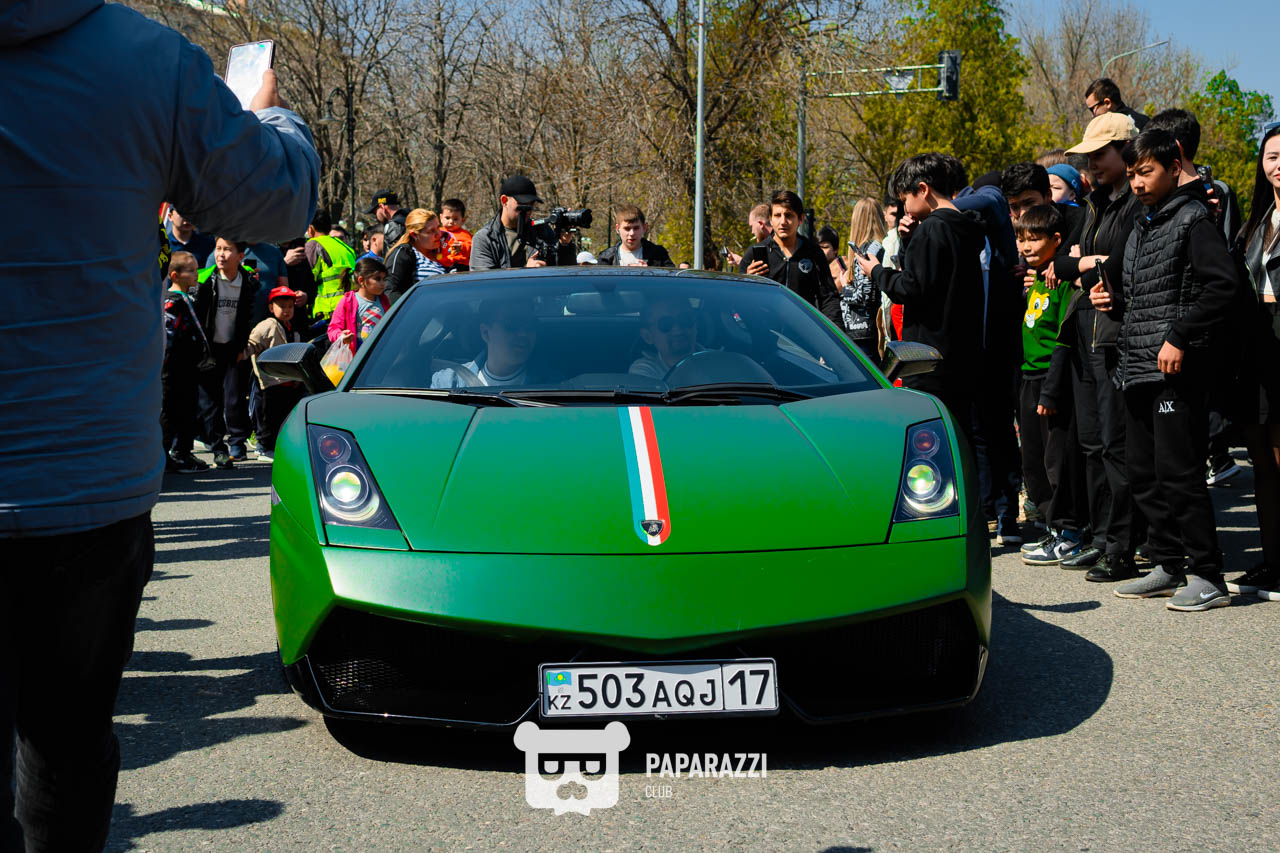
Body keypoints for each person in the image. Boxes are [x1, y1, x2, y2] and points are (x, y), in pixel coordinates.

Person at [0, 1, 319, 844]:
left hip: (90, 486)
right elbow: (282, 199)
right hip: (85, 490)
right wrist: (266, 116)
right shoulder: (149, 61)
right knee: (66, 754)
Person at [1090, 127, 1239, 610]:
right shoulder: (1142, 224)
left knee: (1179, 473)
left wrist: (1180, 336)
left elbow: (1222, 286)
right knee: (1143, 472)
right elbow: (1140, 295)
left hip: (1176, 369)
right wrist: (1111, 301)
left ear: (1175, 168)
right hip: (1136, 365)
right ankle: (1168, 564)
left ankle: (1207, 574)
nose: (1137, 182)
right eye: (1132, 173)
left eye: (1147, 172)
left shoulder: (1194, 219)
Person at [1056, 111, 1144, 580]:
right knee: (1091, 444)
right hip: (1083, 332)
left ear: (1125, 150)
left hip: (1116, 333)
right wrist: (1088, 263)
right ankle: (1101, 537)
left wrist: (1084, 263)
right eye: (1086, 155)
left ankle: (1123, 547)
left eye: (1099, 153)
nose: (1090, 163)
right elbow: (1061, 265)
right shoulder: (1092, 204)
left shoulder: (1136, 202)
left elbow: (1121, 264)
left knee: (1115, 445)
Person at [855, 154, 987, 441]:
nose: (905, 207)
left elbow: (911, 288)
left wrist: (876, 271)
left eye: (905, 198)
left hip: (928, 359)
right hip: (963, 355)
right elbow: (933, 279)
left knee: (930, 439)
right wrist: (907, 241)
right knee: (961, 435)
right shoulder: (965, 228)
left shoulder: (932, 228)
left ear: (923, 189)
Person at [1013, 206, 1085, 565]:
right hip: (1028, 378)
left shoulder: (1062, 281)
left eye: (1035, 239)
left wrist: (1052, 389)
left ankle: (1069, 531)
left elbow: (1062, 339)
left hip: (1050, 380)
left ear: (1056, 240)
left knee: (1058, 461)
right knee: (1034, 461)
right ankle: (1051, 526)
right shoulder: (1035, 279)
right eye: (1021, 239)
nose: (1026, 246)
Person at [1227, 122, 1280, 600]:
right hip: (1255, 343)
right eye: (1272, 156)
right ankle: (1272, 560)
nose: (1279, 165)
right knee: (1261, 458)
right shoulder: (1258, 223)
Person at [194, 238, 261, 467]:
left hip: (233, 349)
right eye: (218, 249)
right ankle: (217, 448)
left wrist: (242, 346)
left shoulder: (248, 282)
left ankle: (237, 442)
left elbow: (248, 315)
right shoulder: (205, 281)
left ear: (241, 256)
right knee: (211, 401)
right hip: (209, 348)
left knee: (234, 398)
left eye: (227, 250)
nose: (221, 255)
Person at [740, 190, 841, 325]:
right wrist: (747, 282)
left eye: (789, 215)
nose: (783, 222)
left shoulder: (814, 253)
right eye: (777, 215)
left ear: (801, 219)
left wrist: (835, 332)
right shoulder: (753, 254)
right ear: (771, 219)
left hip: (803, 331)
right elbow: (739, 301)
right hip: (764, 330)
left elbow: (829, 299)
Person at [160, 251, 212, 474]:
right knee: (171, 412)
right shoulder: (172, 302)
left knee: (188, 410)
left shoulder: (188, 298)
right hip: (174, 368)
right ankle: (168, 454)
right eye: (190, 270)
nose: (196, 274)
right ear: (174, 275)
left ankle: (183, 451)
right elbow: (169, 336)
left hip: (188, 367)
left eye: (196, 269)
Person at [246, 286, 305, 462]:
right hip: (271, 382)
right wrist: (243, 352)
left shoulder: (292, 328)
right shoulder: (267, 325)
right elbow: (252, 343)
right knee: (267, 417)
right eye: (282, 306)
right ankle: (263, 447)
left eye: (290, 306)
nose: (287, 310)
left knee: (282, 417)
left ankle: (276, 446)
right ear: (271, 308)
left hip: (288, 382)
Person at [431, 298, 544, 387]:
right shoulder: (448, 382)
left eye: (531, 325)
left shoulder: (551, 385)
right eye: (512, 324)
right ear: (486, 333)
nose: (523, 333)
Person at [471, 175, 550, 271]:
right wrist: (527, 271)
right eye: (522, 204)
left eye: (531, 204)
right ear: (504, 201)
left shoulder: (542, 230)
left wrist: (564, 244)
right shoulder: (486, 238)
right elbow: (485, 279)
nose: (528, 210)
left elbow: (562, 269)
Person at [839, 200, 885, 360]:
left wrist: (845, 288)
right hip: (873, 328)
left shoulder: (866, 251)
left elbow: (864, 295)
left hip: (864, 330)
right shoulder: (881, 246)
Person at [328, 257, 391, 353]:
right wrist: (341, 336)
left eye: (384, 279)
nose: (383, 283)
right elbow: (333, 328)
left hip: (380, 354)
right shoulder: (348, 301)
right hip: (358, 357)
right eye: (378, 279)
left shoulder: (384, 301)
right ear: (361, 280)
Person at [629, 296, 702, 379]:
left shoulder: (713, 360)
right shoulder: (644, 370)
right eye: (666, 324)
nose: (678, 330)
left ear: (696, 326)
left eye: (685, 319)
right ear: (647, 336)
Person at [305, 209, 358, 322]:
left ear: (311, 228)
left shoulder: (313, 244)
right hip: (351, 306)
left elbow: (307, 278)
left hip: (327, 311)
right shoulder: (344, 246)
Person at [384, 208, 446, 303]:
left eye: (438, 227)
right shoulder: (404, 253)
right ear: (414, 235)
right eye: (431, 231)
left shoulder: (444, 249)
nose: (438, 234)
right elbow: (390, 290)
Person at [596, 204, 675, 267]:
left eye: (636, 228)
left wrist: (649, 273)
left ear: (644, 228)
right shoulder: (606, 258)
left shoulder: (659, 255)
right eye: (627, 228)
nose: (632, 233)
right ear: (617, 228)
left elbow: (671, 279)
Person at [1083, 77, 1148, 130]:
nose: (1093, 115)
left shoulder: (1113, 129)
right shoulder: (1146, 122)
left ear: (1107, 103)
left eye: (1092, 109)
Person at [725, 203, 773, 267]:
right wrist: (742, 262)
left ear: (761, 224)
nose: (752, 232)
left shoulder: (776, 245)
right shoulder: (769, 246)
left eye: (752, 226)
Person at [439, 197, 473, 271]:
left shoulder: (464, 234)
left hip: (459, 264)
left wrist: (462, 247)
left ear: (463, 220)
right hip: (441, 263)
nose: (451, 221)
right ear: (441, 218)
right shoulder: (438, 232)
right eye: (447, 218)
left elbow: (472, 248)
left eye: (455, 219)